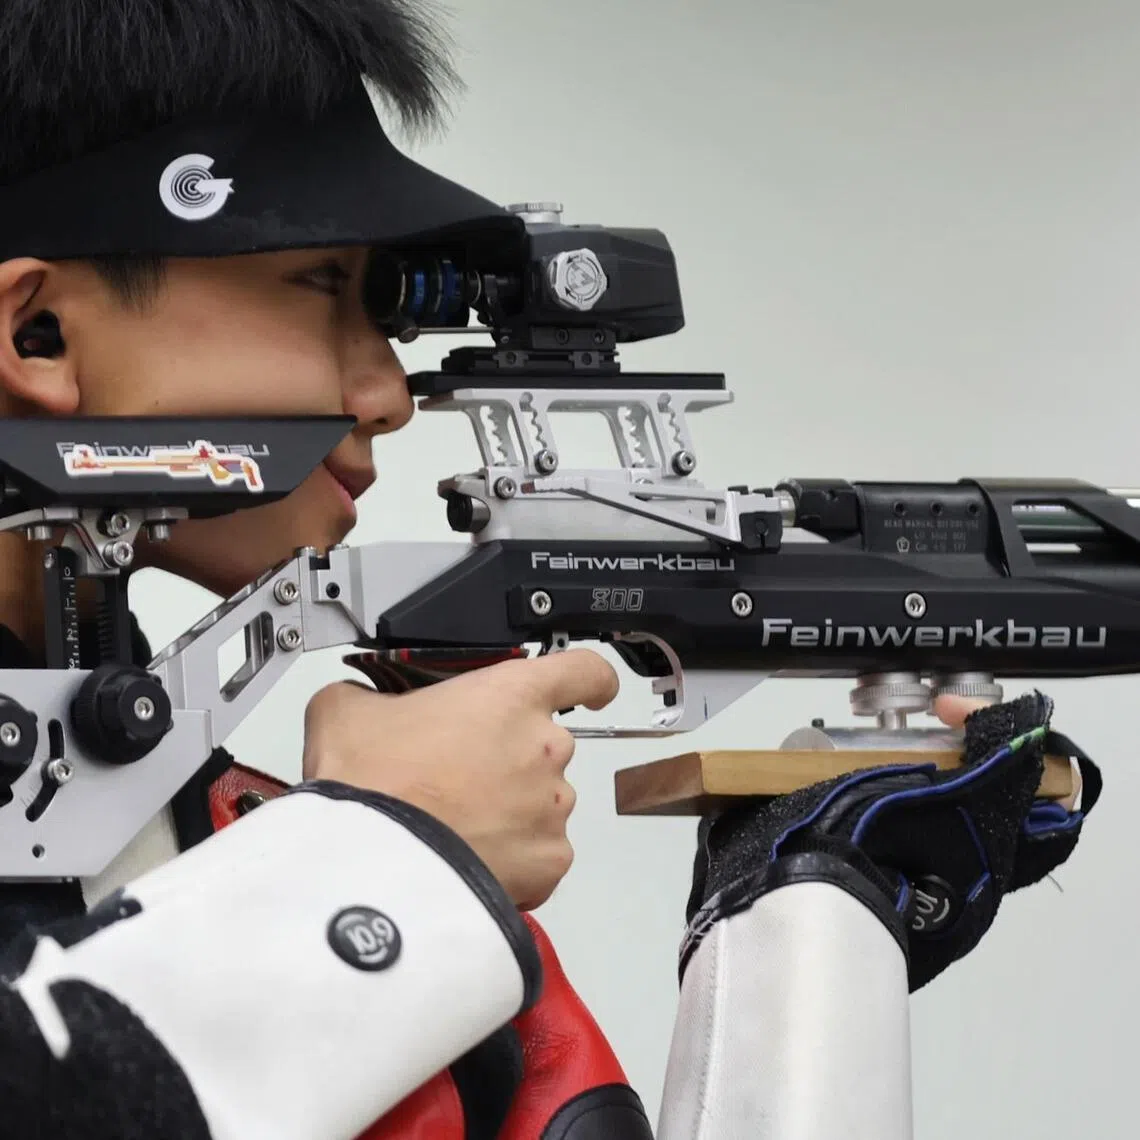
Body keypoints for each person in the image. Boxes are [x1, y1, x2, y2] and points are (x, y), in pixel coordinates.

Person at [0, 1, 1101, 1137]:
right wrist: (382, 854)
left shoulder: (225, 835)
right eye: (324, 286)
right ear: (37, 334)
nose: (386, 393)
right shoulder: (324, 859)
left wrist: (805, 923)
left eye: (385, 309)